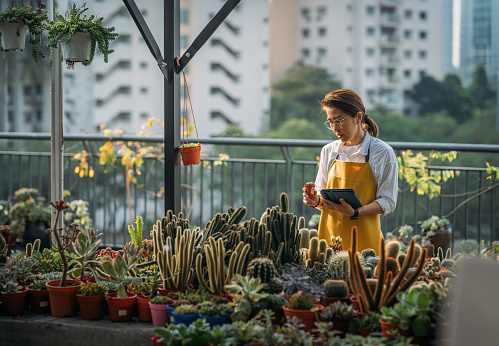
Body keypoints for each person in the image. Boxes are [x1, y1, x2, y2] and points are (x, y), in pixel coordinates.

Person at [302, 89, 398, 254]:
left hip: (366, 242)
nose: (334, 128)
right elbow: (323, 200)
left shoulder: (382, 153)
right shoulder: (328, 151)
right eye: (330, 122)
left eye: (339, 120)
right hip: (330, 241)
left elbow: (388, 202)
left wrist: (355, 212)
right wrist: (314, 200)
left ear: (358, 117)